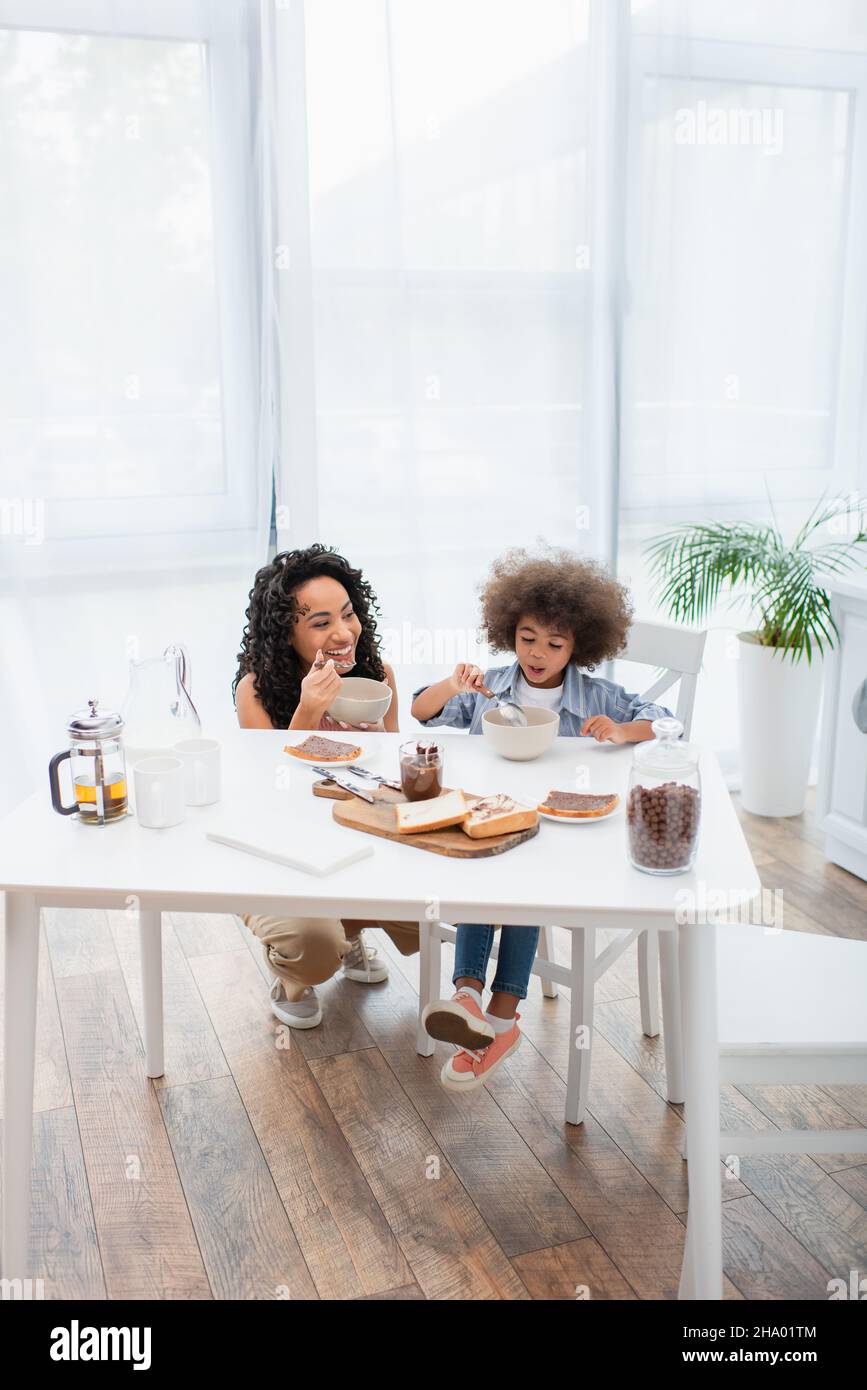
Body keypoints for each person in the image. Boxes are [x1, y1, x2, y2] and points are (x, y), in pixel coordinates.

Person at [411, 546, 674, 1092]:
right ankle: (469, 1001)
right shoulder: (491, 689)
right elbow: (420, 710)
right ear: (510, 631)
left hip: (565, 842)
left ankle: (499, 1018)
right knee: (491, 872)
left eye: (555, 644)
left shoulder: (597, 695)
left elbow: (665, 721)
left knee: (524, 883)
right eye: (527, 638)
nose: (538, 653)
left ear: (580, 645)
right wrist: (453, 685)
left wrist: (625, 732)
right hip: (500, 827)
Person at [234, 543, 418, 1028]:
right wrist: (308, 712)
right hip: (281, 852)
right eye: (320, 623)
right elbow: (273, 795)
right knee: (315, 948)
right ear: (285, 634)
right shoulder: (255, 691)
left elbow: (394, 776)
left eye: (348, 614)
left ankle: (348, 929)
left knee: (439, 912)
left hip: (357, 837)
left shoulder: (379, 678)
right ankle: (295, 974)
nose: (342, 633)